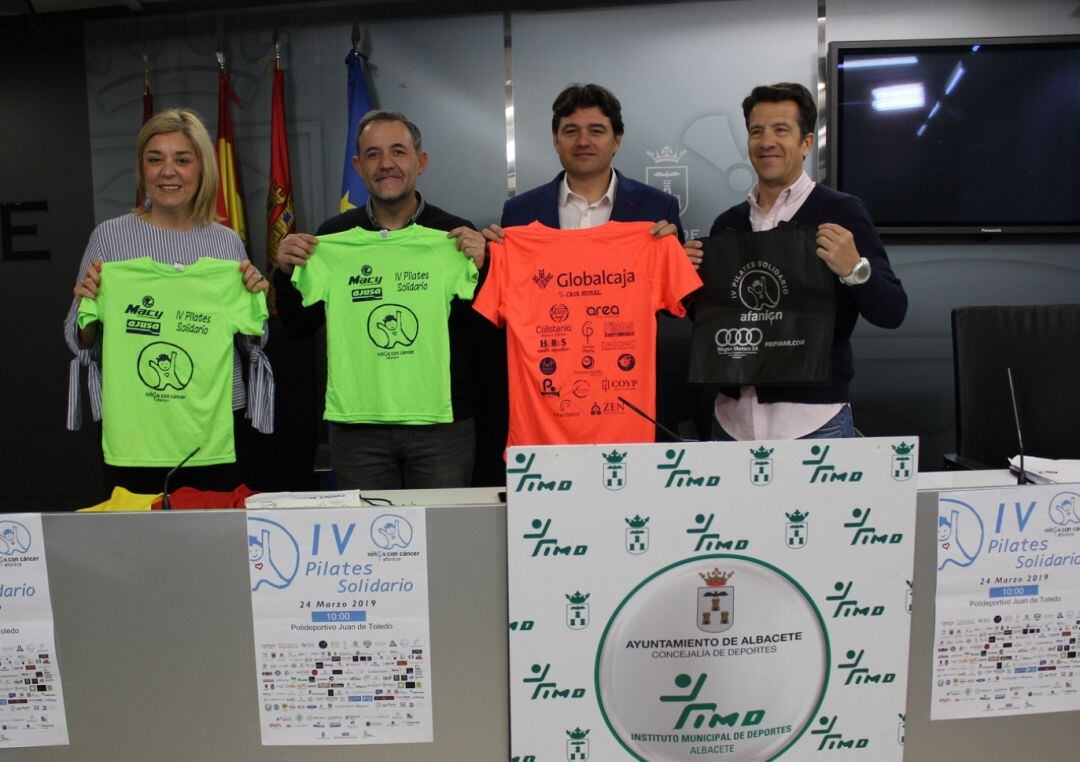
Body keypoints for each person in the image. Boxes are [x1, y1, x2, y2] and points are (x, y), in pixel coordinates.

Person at [273, 109, 487, 490]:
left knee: (441, 526)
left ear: (420, 162)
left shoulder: (453, 235)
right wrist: (287, 274)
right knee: (367, 530)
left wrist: (485, 268)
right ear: (358, 167)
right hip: (359, 426)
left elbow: (485, 330)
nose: (386, 163)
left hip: (442, 424)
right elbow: (298, 326)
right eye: (373, 154)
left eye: (398, 151)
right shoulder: (332, 238)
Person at [65, 107, 272, 495]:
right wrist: (86, 308)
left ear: (202, 167)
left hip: (215, 424)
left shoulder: (226, 242)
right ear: (141, 168)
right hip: (136, 425)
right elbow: (78, 340)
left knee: (212, 529)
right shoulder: (109, 238)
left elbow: (252, 342)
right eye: (155, 159)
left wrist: (254, 300)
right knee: (139, 530)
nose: (168, 172)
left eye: (182, 160)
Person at [685, 82, 907, 440]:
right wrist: (689, 284)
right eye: (757, 131)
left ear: (806, 143)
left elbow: (893, 311)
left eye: (781, 130)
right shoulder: (728, 224)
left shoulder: (841, 211)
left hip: (814, 423)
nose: (766, 142)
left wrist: (855, 270)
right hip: (731, 423)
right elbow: (714, 322)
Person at [485, 82, 682, 239]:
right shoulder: (519, 212)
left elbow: (679, 278)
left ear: (616, 140)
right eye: (571, 131)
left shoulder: (659, 208)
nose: (583, 142)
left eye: (596, 131)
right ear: (556, 141)